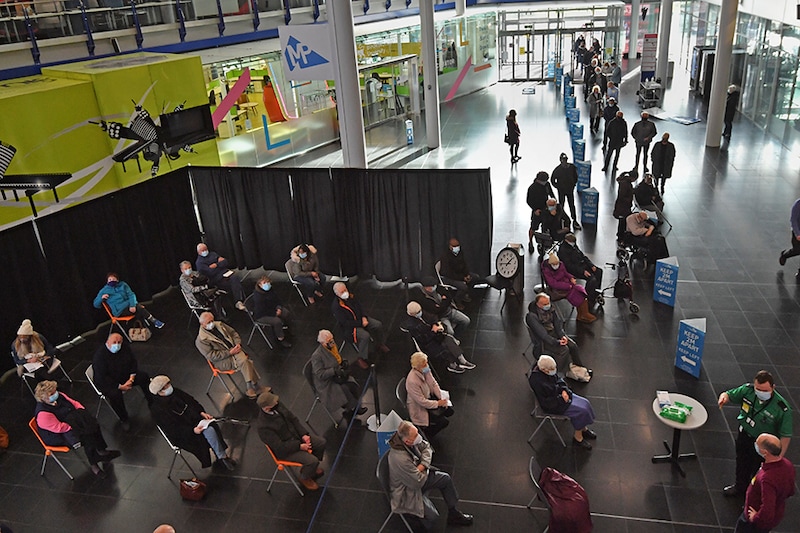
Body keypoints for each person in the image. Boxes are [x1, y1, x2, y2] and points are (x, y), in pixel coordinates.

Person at [387, 420, 473, 530]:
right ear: (408, 442)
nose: (419, 437)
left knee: (445, 479)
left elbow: (427, 447)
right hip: (408, 491)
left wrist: (422, 466)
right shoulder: (400, 459)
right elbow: (417, 482)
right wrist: (425, 465)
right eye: (415, 435)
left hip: (418, 477)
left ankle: (454, 514)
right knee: (433, 517)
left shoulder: (410, 440)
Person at [718, 371, 792, 498]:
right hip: (745, 436)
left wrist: (778, 457)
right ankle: (740, 487)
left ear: (773, 388)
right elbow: (729, 394)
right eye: (758, 389)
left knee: (758, 472)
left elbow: (785, 435)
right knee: (742, 463)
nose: (760, 393)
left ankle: (753, 496)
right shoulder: (748, 391)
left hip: (764, 445)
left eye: (764, 390)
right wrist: (724, 398)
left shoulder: (782, 408)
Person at [34, 380, 120, 478]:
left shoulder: (59, 396)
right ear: (44, 398)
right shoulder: (43, 414)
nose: (56, 394)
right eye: (52, 393)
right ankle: (94, 464)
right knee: (87, 436)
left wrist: (82, 412)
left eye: (55, 391)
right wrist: (77, 425)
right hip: (60, 435)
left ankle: (102, 450)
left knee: (93, 423)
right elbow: (59, 428)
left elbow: (74, 403)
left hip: (71, 421)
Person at [149, 375, 235, 471]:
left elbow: (191, 401)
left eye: (168, 384)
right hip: (182, 433)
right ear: (159, 392)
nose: (169, 387)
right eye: (165, 387)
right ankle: (222, 456)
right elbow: (172, 429)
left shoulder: (175, 392)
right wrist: (192, 430)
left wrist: (201, 412)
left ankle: (220, 454)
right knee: (208, 432)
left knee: (211, 427)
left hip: (194, 420)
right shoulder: (157, 409)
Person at [256, 390, 327, 491]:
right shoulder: (263, 426)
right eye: (274, 402)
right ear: (267, 408)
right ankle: (305, 477)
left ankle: (310, 470)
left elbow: (293, 419)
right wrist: (299, 446)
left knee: (321, 443)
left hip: (296, 437)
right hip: (286, 451)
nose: (277, 402)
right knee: (312, 461)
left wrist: (304, 434)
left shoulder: (278, 405)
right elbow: (279, 447)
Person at [528, 355, 596, 449]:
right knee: (581, 411)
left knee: (585, 403)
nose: (554, 370)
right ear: (544, 370)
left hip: (560, 396)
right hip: (554, 404)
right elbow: (546, 402)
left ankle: (583, 429)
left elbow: (559, 379)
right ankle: (578, 437)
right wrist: (561, 398)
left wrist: (564, 390)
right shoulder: (536, 381)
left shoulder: (546, 370)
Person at [195, 312, 267, 399]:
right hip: (222, 360)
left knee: (245, 361)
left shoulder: (220, 325)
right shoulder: (201, 340)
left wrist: (237, 344)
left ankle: (251, 388)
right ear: (202, 324)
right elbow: (211, 356)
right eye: (208, 322)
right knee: (245, 361)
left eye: (212, 320)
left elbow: (233, 333)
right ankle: (253, 386)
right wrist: (229, 352)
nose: (212, 323)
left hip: (234, 350)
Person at [733, 433, 795, 533]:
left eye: (757, 444)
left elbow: (767, 511)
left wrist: (756, 517)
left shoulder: (767, 479)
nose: (755, 444)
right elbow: (791, 490)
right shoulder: (787, 464)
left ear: (765, 453)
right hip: (776, 513)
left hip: (754, 523)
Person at [92, 332, 152, 430]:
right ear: (107, 342)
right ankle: (124, 418)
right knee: (115, 395)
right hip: (108, 383)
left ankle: (151, 401)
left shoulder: (125, 348)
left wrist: (131, 379)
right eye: (114, 342)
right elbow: (102, 377)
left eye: (119, 342)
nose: (117, 344)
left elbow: (133, 362)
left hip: (125, 377)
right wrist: (120, 386)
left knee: (144, 377)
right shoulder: (100, 356)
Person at [525, 296, 591, 381]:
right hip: (543, 341)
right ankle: (557, 375)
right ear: (538, 304)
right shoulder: (532, 317)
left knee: (573, 346)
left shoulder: (551, 309)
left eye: (548, 303)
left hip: (554, 334)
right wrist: (557, 342)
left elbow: (557, 324)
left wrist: (562, 336)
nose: (548, 305)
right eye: (545, 304)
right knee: (564, 350)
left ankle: (580, 368)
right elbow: (543, 335)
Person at [311, 329, 368, 423]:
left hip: (337, 375)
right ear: (322, 343)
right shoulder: (317, 356)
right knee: (344, 389)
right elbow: (320, 374)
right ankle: (353, 408)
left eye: (332, 339)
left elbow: (338, 358)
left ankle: (353, 406)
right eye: (329, 341)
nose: (332, 343)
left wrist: (343, 362)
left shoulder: (332, 346)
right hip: (326, 382)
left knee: (352, 384)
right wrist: (333, 371)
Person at [404, 302, 475, 374]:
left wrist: (436, 325)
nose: (420, 313)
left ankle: (462, 360)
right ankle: (452, 365)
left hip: (433, 336)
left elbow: (432, 317)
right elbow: (423, 340)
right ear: (412, 314)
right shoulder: (412, 325)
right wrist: (433, 331)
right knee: (444, 347)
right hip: (427, 344)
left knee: (449, 339)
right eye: (418, 312)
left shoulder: (422, 314)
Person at [331, 281, 388, 358]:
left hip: (361, 319)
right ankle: (361, 357)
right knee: (365, 336)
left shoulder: (351, 296)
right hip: (351, 327)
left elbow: (360, 306)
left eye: (345, 290)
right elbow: (345, 323)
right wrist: (361, 323)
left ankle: (380, 343)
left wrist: (364, 317)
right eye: (342, 292)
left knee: (378, 325)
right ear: (337, 294)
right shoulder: (337, 307)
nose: (345, 293)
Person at [405, 352, 453, 440]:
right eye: (424, 364)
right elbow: (421, 401)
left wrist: (440, 397)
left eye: (426, 363)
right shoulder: (412, 381)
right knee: (443, 422)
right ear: (417, 367)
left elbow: (433, 383)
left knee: (449, 411)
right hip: (419, 407)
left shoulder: (424, 369)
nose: (427, 365)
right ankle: (428, 434)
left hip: (428, 398)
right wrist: (438, 403)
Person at [93, 272, 164, 329]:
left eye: (113, 279)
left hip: (130, 305)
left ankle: (142, 328)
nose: (111, 281)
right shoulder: (104, 290)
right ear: (107, 281)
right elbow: (96, 304)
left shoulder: (123, 285)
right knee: (139, 308)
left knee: (138, 308)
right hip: (119, 310)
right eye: (110, 280)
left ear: (117, 280)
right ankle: (153, 321)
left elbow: (131, 295)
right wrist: (101, 298)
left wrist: (132, 305)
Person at [542, 254, 596, 323]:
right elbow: (553, 283)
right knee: (575, 294)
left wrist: (571, 278)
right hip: (557, 290)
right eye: (554, 264)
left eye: (557, 263)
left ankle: (583, 313)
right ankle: (583, 314)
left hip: (567, 285)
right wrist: (567, 286)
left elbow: (566, 273)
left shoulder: (561, 264)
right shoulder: (546, 270)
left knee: (580, 291)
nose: (556, 265)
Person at [195, 243, 246, 311]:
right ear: (199, 252)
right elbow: (211, 272)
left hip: (225, 274)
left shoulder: (213, 254)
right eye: (203, 250)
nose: (205, 251)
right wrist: (220, 265)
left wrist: (216, 265)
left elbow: (225, 262)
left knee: (234, 278)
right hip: (216, 280)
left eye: (206, 249)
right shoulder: (199, 263)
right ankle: (239, 301)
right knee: (234, 281)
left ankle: (240, 301)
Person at [11, 319, 61, 384]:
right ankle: (51, 383)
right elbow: (17, 360)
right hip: (27, 363)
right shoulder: (15, 345)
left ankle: (49, 384)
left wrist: (47, 356)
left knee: (47, 365)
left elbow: (49, 348)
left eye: (25, 337)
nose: (22, 339)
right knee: (41, 370)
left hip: (41, 358)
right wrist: (28, 361)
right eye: (21, 337)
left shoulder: (38, 337)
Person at [559, 233, 603, 306]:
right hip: (574, 269)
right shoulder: (563, 251)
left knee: (598, 271)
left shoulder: (573, 246)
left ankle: (595, 291)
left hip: (582, 265)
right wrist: (582, 271)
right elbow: (569, 266)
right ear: (566, 241)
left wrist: (591, 265)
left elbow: (582, 256)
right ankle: (588, 298)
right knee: (592, 279)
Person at [438, 238, 484, 305]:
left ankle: (465, 294)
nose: (457, 248)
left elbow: (464, 264)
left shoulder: (460, 253)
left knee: (475, 277)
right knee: (463, 286)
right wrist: (462, 278)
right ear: (450, 247)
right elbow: (449, 273)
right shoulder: (445, 256)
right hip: (448, 278)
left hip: (459, 274)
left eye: (458, 246)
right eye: (455, 246)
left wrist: (467, 274)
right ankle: (457, 300)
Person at [252, 275, 292, 348]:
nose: (267, 284)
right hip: (262, 315)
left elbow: (277, 300)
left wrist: (279, 308)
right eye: (264, 282)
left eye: (268, 282)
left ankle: (287, 328)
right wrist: (274, 313)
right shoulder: (258, 297)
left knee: (286, 313)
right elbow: (262, 310)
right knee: (277, 321)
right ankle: (281, 339)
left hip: (273, 309)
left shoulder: (270, 290)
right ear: (259, 285)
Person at [526, 171, 555, 253]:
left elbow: (551, 194)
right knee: (533, 227)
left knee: (545, 226)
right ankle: (530, 242)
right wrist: (535, 209)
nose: (545, 182)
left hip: (546, 209)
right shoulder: (532, 188)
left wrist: (554, 203)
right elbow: (528, 201)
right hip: (537, 210)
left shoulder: (547, 185)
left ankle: (543, 242)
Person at [551, 153, 581, 231]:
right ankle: (560, 219)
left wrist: (573, 184)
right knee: (561, 205)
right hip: (562, 190)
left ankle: (574, 220)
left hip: (570, 189)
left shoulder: (572, 167)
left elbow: (575, 176)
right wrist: (558, 187)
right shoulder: (557, 170)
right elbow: (553, 180)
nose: (564, 162)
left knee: (572, 204)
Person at [613, 171, 637, 242]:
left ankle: (621, 235)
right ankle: (620, 236)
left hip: (623, 206)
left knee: (623, 221)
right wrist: (629, 198)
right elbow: (622, 196)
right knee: (622, 222)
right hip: (623, 207)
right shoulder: (625, 184)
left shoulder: (625, 182)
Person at [778, 198, 800, 277]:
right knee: (797, 250)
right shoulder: (798, 204)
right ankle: (785, 255)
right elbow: (793, 220)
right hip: (797, 231)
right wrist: (797, 234)